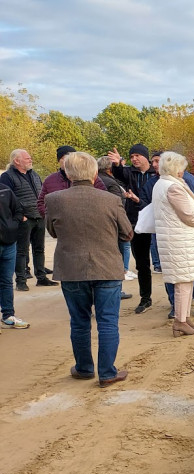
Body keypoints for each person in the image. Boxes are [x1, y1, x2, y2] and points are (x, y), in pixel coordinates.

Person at [44, 152, 132, 387]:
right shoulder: (111, 200)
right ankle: (107, 373)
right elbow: (127, 233)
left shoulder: (54, 199)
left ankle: (84, 368)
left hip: (71, 268)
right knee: (107, 322)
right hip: (107, 266)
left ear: (68, 173)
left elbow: (52, 231)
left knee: (79, 321)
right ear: (94, 174)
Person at [151, 151, 194, 337]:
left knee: (186, 280)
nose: (183, 172)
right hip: (179, 239)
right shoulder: (172, 187)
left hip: (176, 238)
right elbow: (187, 214)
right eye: (181, 169)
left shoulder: (163, 184)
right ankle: (180, 321)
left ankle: (183, 318)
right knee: (183, 282)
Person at [107, 144, 157, 314]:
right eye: (132, 156)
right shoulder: (129, 173)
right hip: (137, 223)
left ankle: (175, 299)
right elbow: (119, 173)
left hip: (159, 222)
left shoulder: (156, 173)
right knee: (142, 263)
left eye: (137, 155)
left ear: (146, 157)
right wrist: (117, 164)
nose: (134, 159)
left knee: (166, 262)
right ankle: (146, 298)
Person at [1, 149, 56, 291]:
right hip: (24, 219)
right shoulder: (7, 177)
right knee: (22, 250)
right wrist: (20, 216)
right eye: (27, 158)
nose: (30, 160)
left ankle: (41, 277)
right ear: (16, 161)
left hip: (39, 216)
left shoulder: (34, 174)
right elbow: (7, 199)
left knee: (39, 249)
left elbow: (42, 193)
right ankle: (21, 280)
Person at [96, 156, 134, 301]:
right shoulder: (110, 182)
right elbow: (116, 205)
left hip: (102, 226)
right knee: (119, 253)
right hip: (114, 224)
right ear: (109, 168)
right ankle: (118, 287)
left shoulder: (97, 180)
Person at [0, 180, 28, 329]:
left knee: (6, 281)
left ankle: (8, 315)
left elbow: (18, 209)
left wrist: (13, 225)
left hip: (9, 243)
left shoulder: (5, 190)